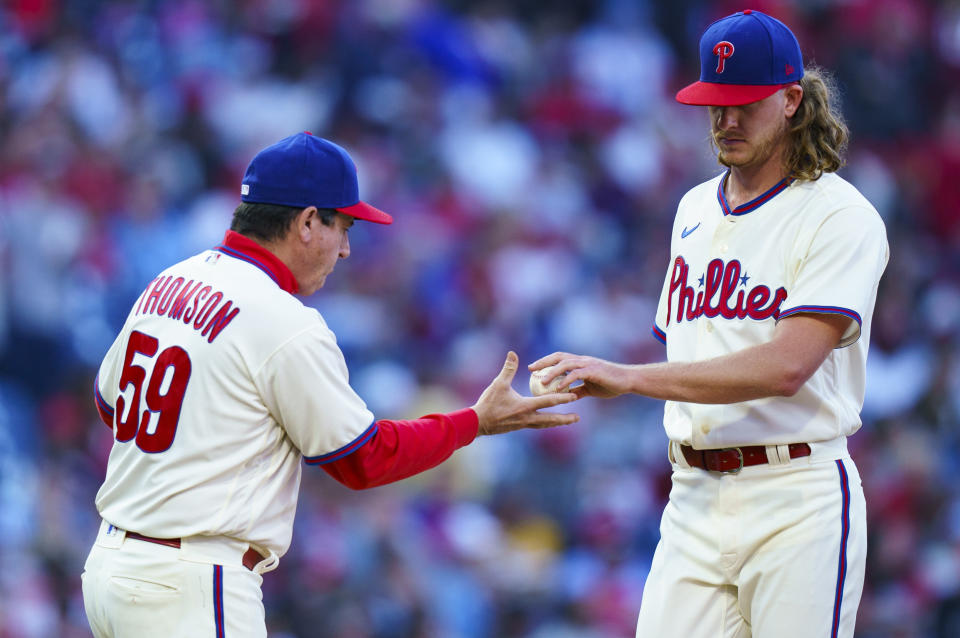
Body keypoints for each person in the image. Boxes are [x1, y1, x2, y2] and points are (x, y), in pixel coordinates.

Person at [82, 131, 579, 638]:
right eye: (342, 226)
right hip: (189, 583)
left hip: (110, 568)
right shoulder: (283, 321)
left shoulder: (170, 280)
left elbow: (110, 405)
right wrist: (473, 422)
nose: (345, 249)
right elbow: (363, 460)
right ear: (306, 221)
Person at [532, 10, 888, 638]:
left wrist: (630, 377)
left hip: (795, 496)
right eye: (715, 103)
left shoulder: (839, 215)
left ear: (790, 100)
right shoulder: (693, 208)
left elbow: (787, 367)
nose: (726, 120)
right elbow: (694, 352)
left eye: (744, 103)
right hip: (693, 495)